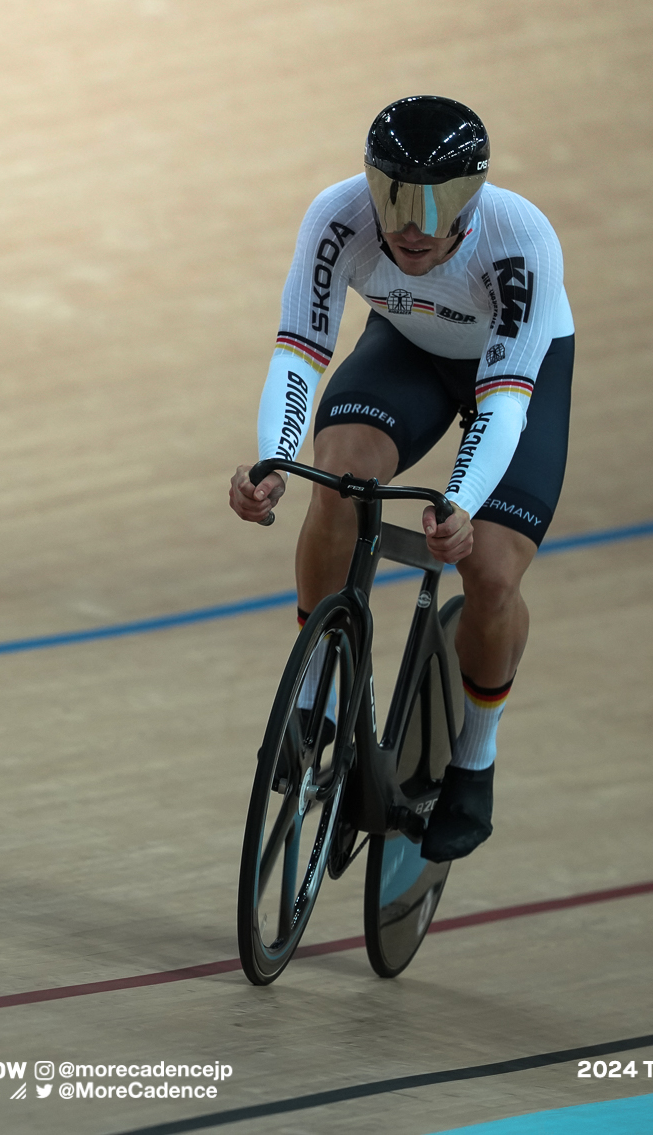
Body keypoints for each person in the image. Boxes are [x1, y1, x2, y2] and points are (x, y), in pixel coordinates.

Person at [228, 96, 574, 861]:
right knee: (337, 476)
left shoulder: (521, 239)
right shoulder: (337, 217)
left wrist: (459, 502)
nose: (413, 225)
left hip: (518, 376)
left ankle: (474, 760)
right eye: (395, 197)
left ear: (473, 199)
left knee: (486, 569)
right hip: (410, 348)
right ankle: (317, 695)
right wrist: (272, 459)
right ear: (369, 184)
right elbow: (298, 353)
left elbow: (505, 404)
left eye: (438, 204)